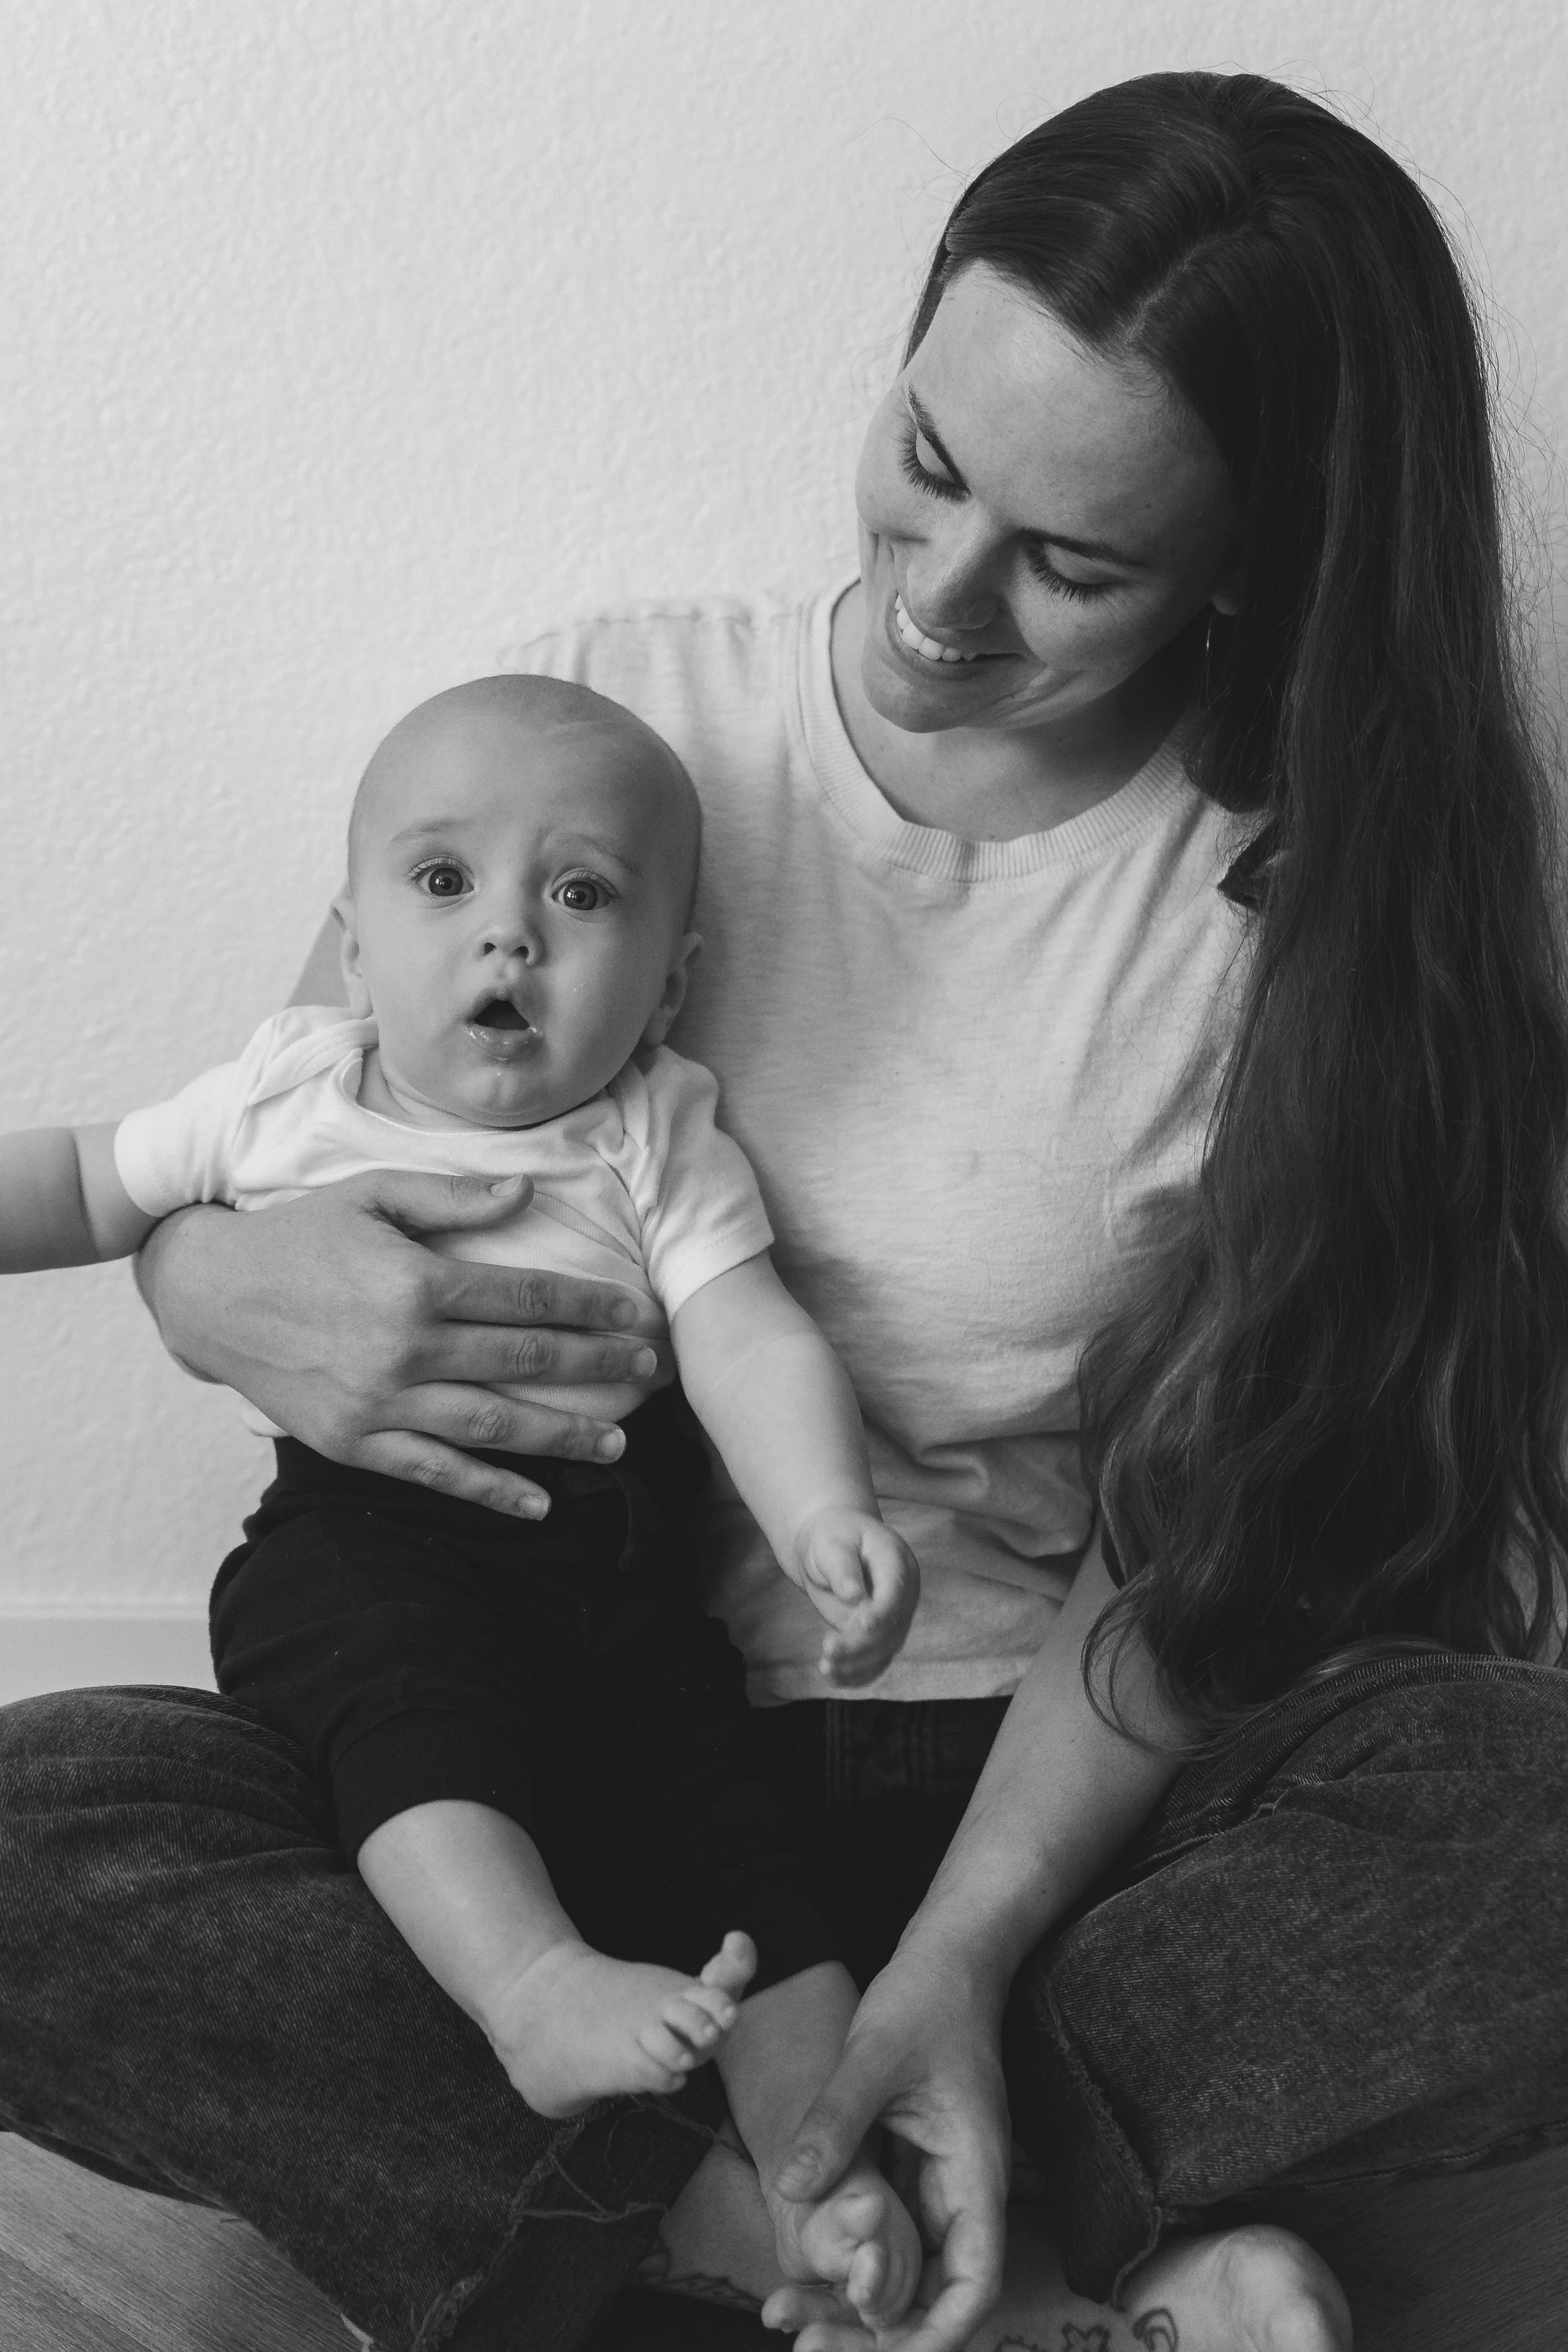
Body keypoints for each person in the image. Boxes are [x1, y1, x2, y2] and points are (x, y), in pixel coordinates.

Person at [1, 65, 1565, 2352]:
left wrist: (953, 1958)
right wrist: (213, 1289)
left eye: (1075, 561)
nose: (942, 597)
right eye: (929, 465)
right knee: (42, 1822)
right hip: (534, 1728)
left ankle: (865, 2166)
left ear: (1258, 556)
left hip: (1010, 1796)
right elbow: (287, 1139)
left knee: (1522, 1792)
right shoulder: (613, 716)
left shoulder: (1301, 904)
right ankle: (892, 2264)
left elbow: (1202, 1545)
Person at [0, 672, 927, 2323]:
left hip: (621, 1587)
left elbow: (742, 1332)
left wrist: (820, 1513)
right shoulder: (290, 1091)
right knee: (417, 1726)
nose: (508, 939)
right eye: (444, 886)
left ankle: (816, 2177)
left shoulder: (654, 1134)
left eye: (580, 896)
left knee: (734, 1850)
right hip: (368, 1556)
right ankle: (527, 1984)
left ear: (669, 980)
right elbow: (81, 1178)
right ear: (352, 945)